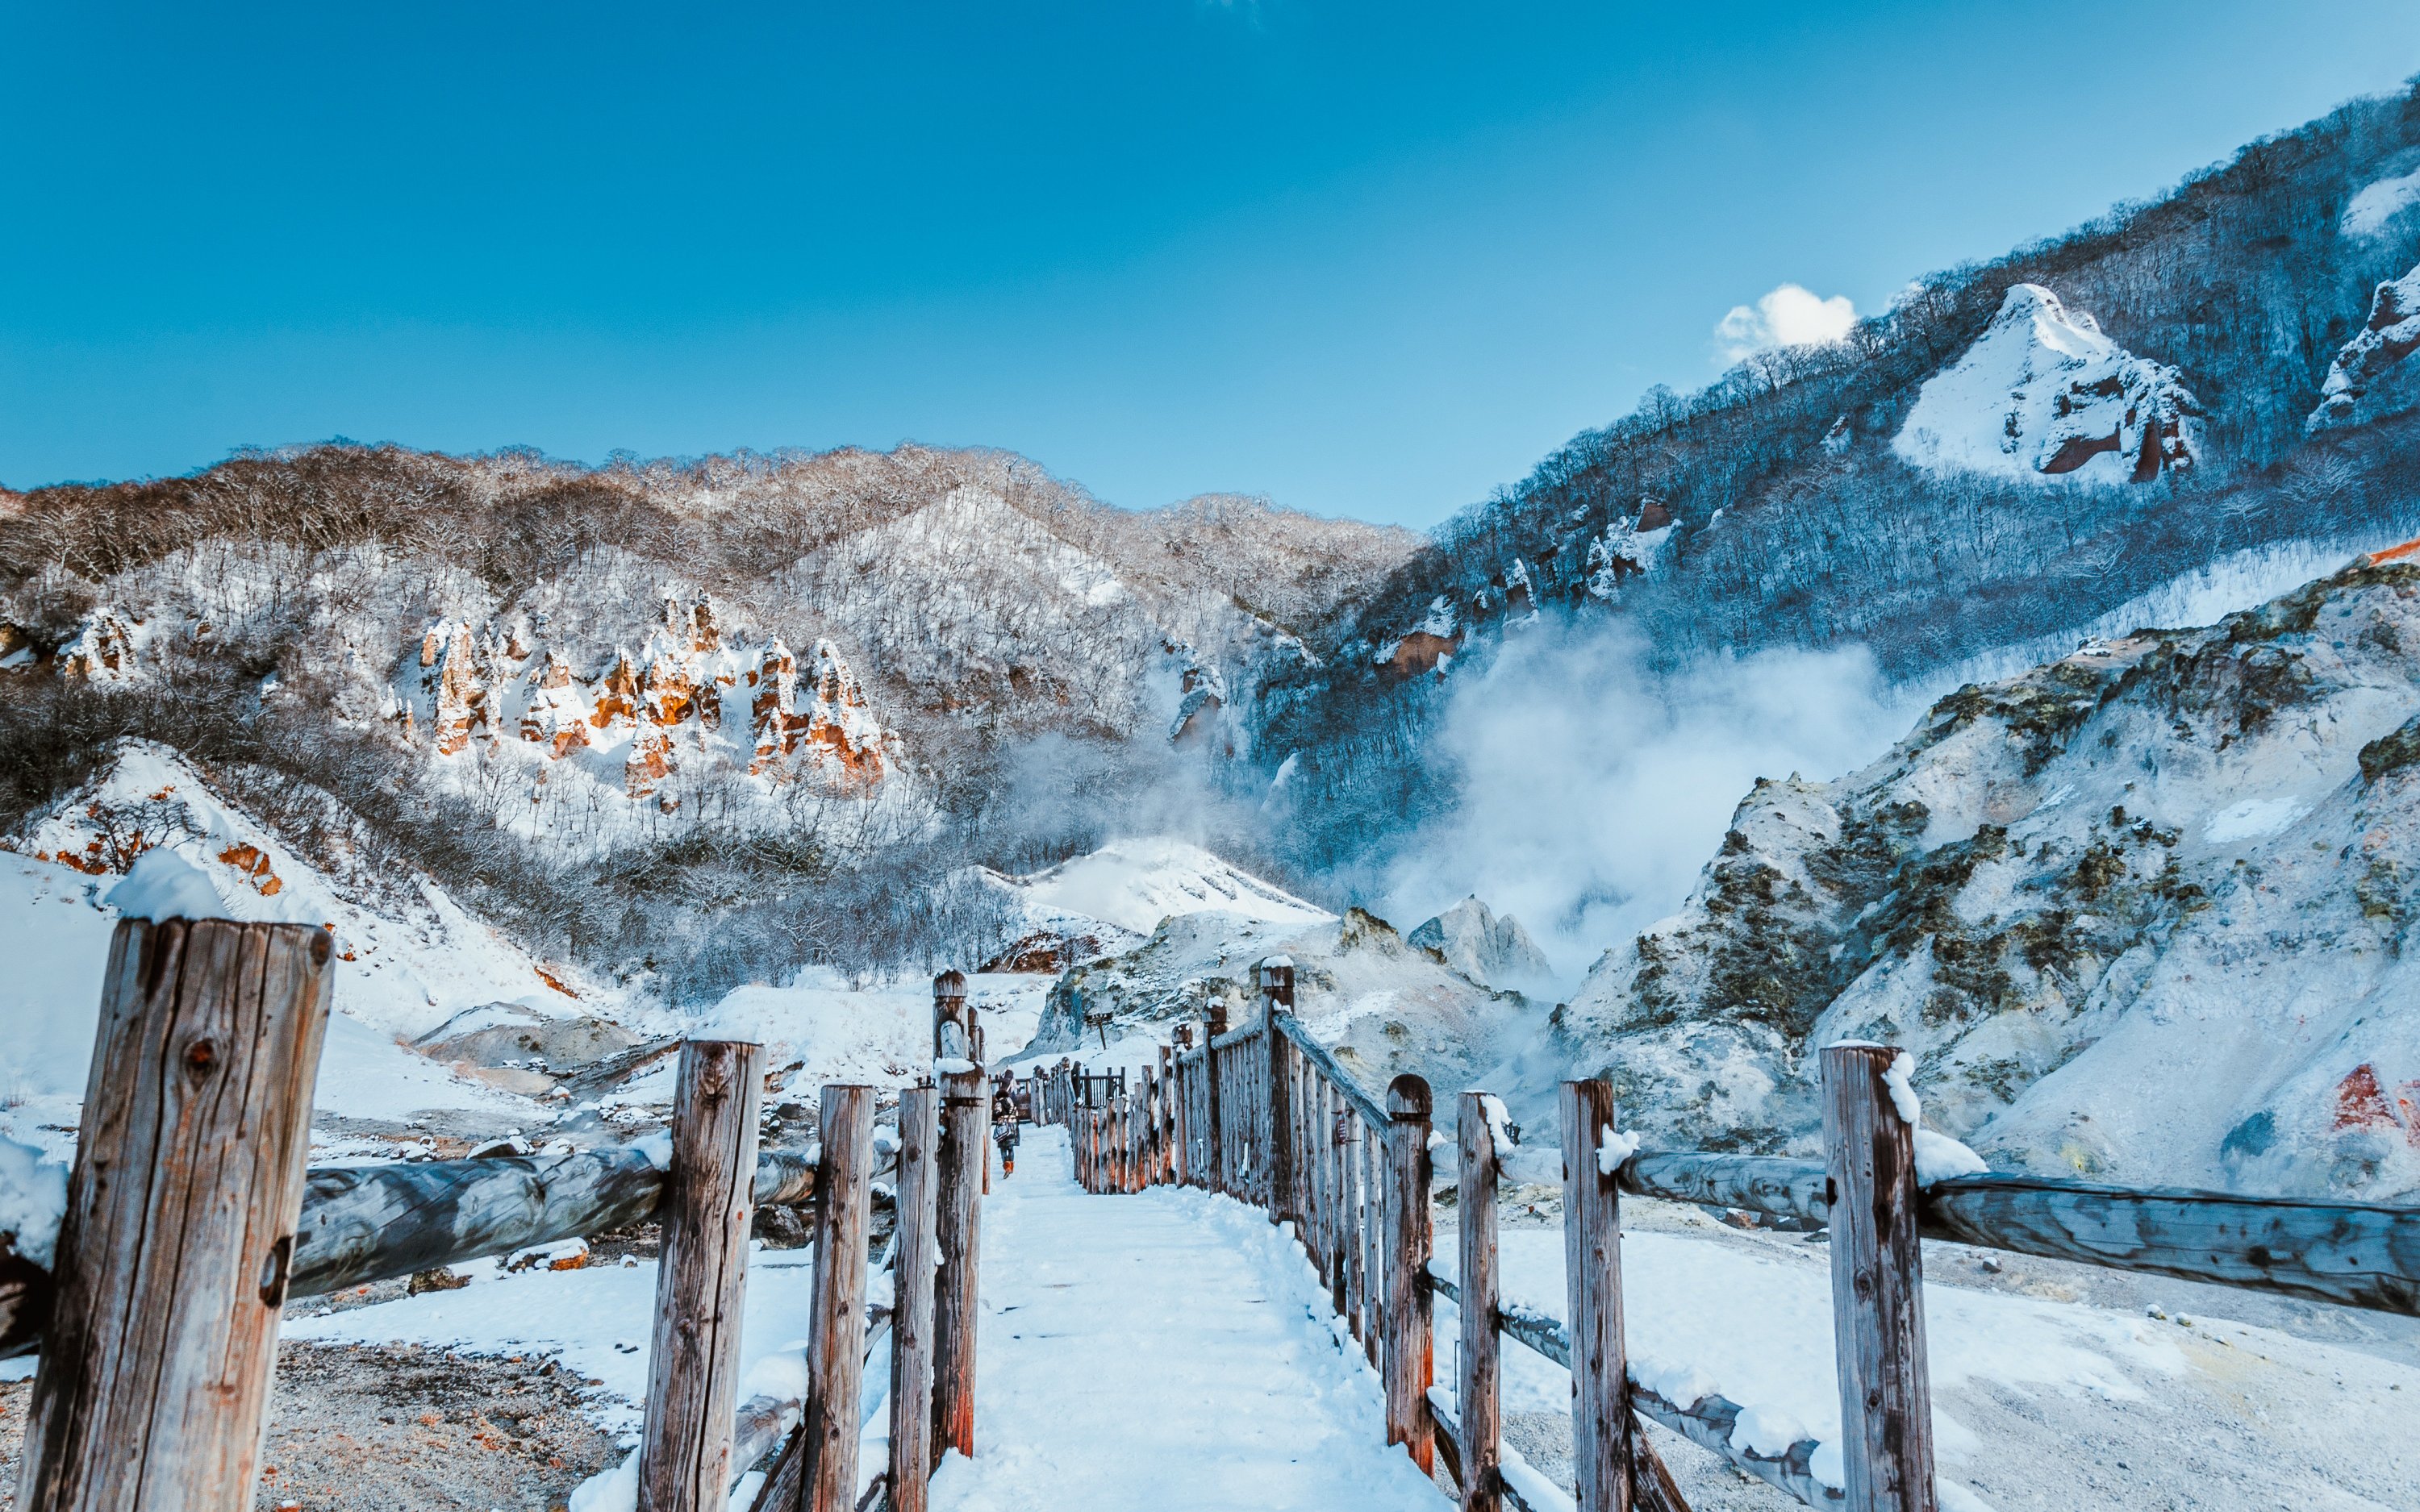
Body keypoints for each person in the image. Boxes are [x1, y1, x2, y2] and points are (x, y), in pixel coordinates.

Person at [992, 1071, 1020, 1176]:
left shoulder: (999, 1103)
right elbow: (1017, 1114)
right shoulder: (1012, 1101)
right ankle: (1011, 1166)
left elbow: (997, 1114)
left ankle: (1007, 1167)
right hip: (1013, 1126)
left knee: (1003, 1148)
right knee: (1010, 1147)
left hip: (1003, 1128)